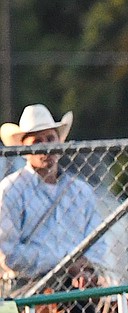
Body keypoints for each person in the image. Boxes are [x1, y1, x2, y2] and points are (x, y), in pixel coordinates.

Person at [0, 104, 110, 294]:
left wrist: (87, 268)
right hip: (28, 288)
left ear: (59, 142)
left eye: (50, 138)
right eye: (37, 142)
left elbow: (98, 240)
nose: (46, 147)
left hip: (79, 286)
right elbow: (7, 254)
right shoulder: (10, 190)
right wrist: (66, 262)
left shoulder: (81, 191)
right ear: (24, 149)